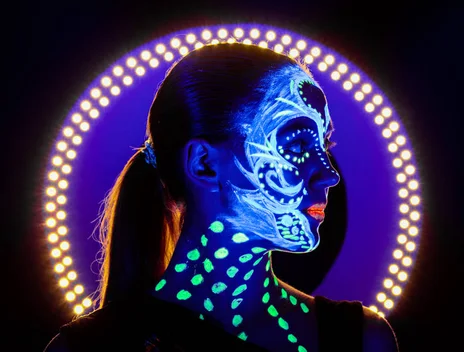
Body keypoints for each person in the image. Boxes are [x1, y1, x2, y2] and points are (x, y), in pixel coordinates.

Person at [44, 42, 399, 351]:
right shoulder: (89, 347)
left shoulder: (361, 339)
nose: (329, 173)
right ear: (204, 164)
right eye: (297, 144)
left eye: (325, 144)